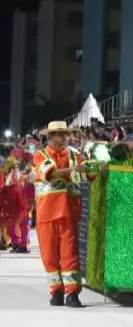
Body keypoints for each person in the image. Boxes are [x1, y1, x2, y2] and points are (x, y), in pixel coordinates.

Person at [33, 121, 97, 307]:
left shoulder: (75, 155)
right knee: (49, 255)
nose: (63, 137)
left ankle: (72, 294)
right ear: (50, 136)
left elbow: (87, 174)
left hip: (68, 211)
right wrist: (73, 170)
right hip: (46, 213)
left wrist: (95, 167)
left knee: (70, 254)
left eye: (65, 133)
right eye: (59, 134)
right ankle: (56, 291)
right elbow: (50, 175)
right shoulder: (40, 155)